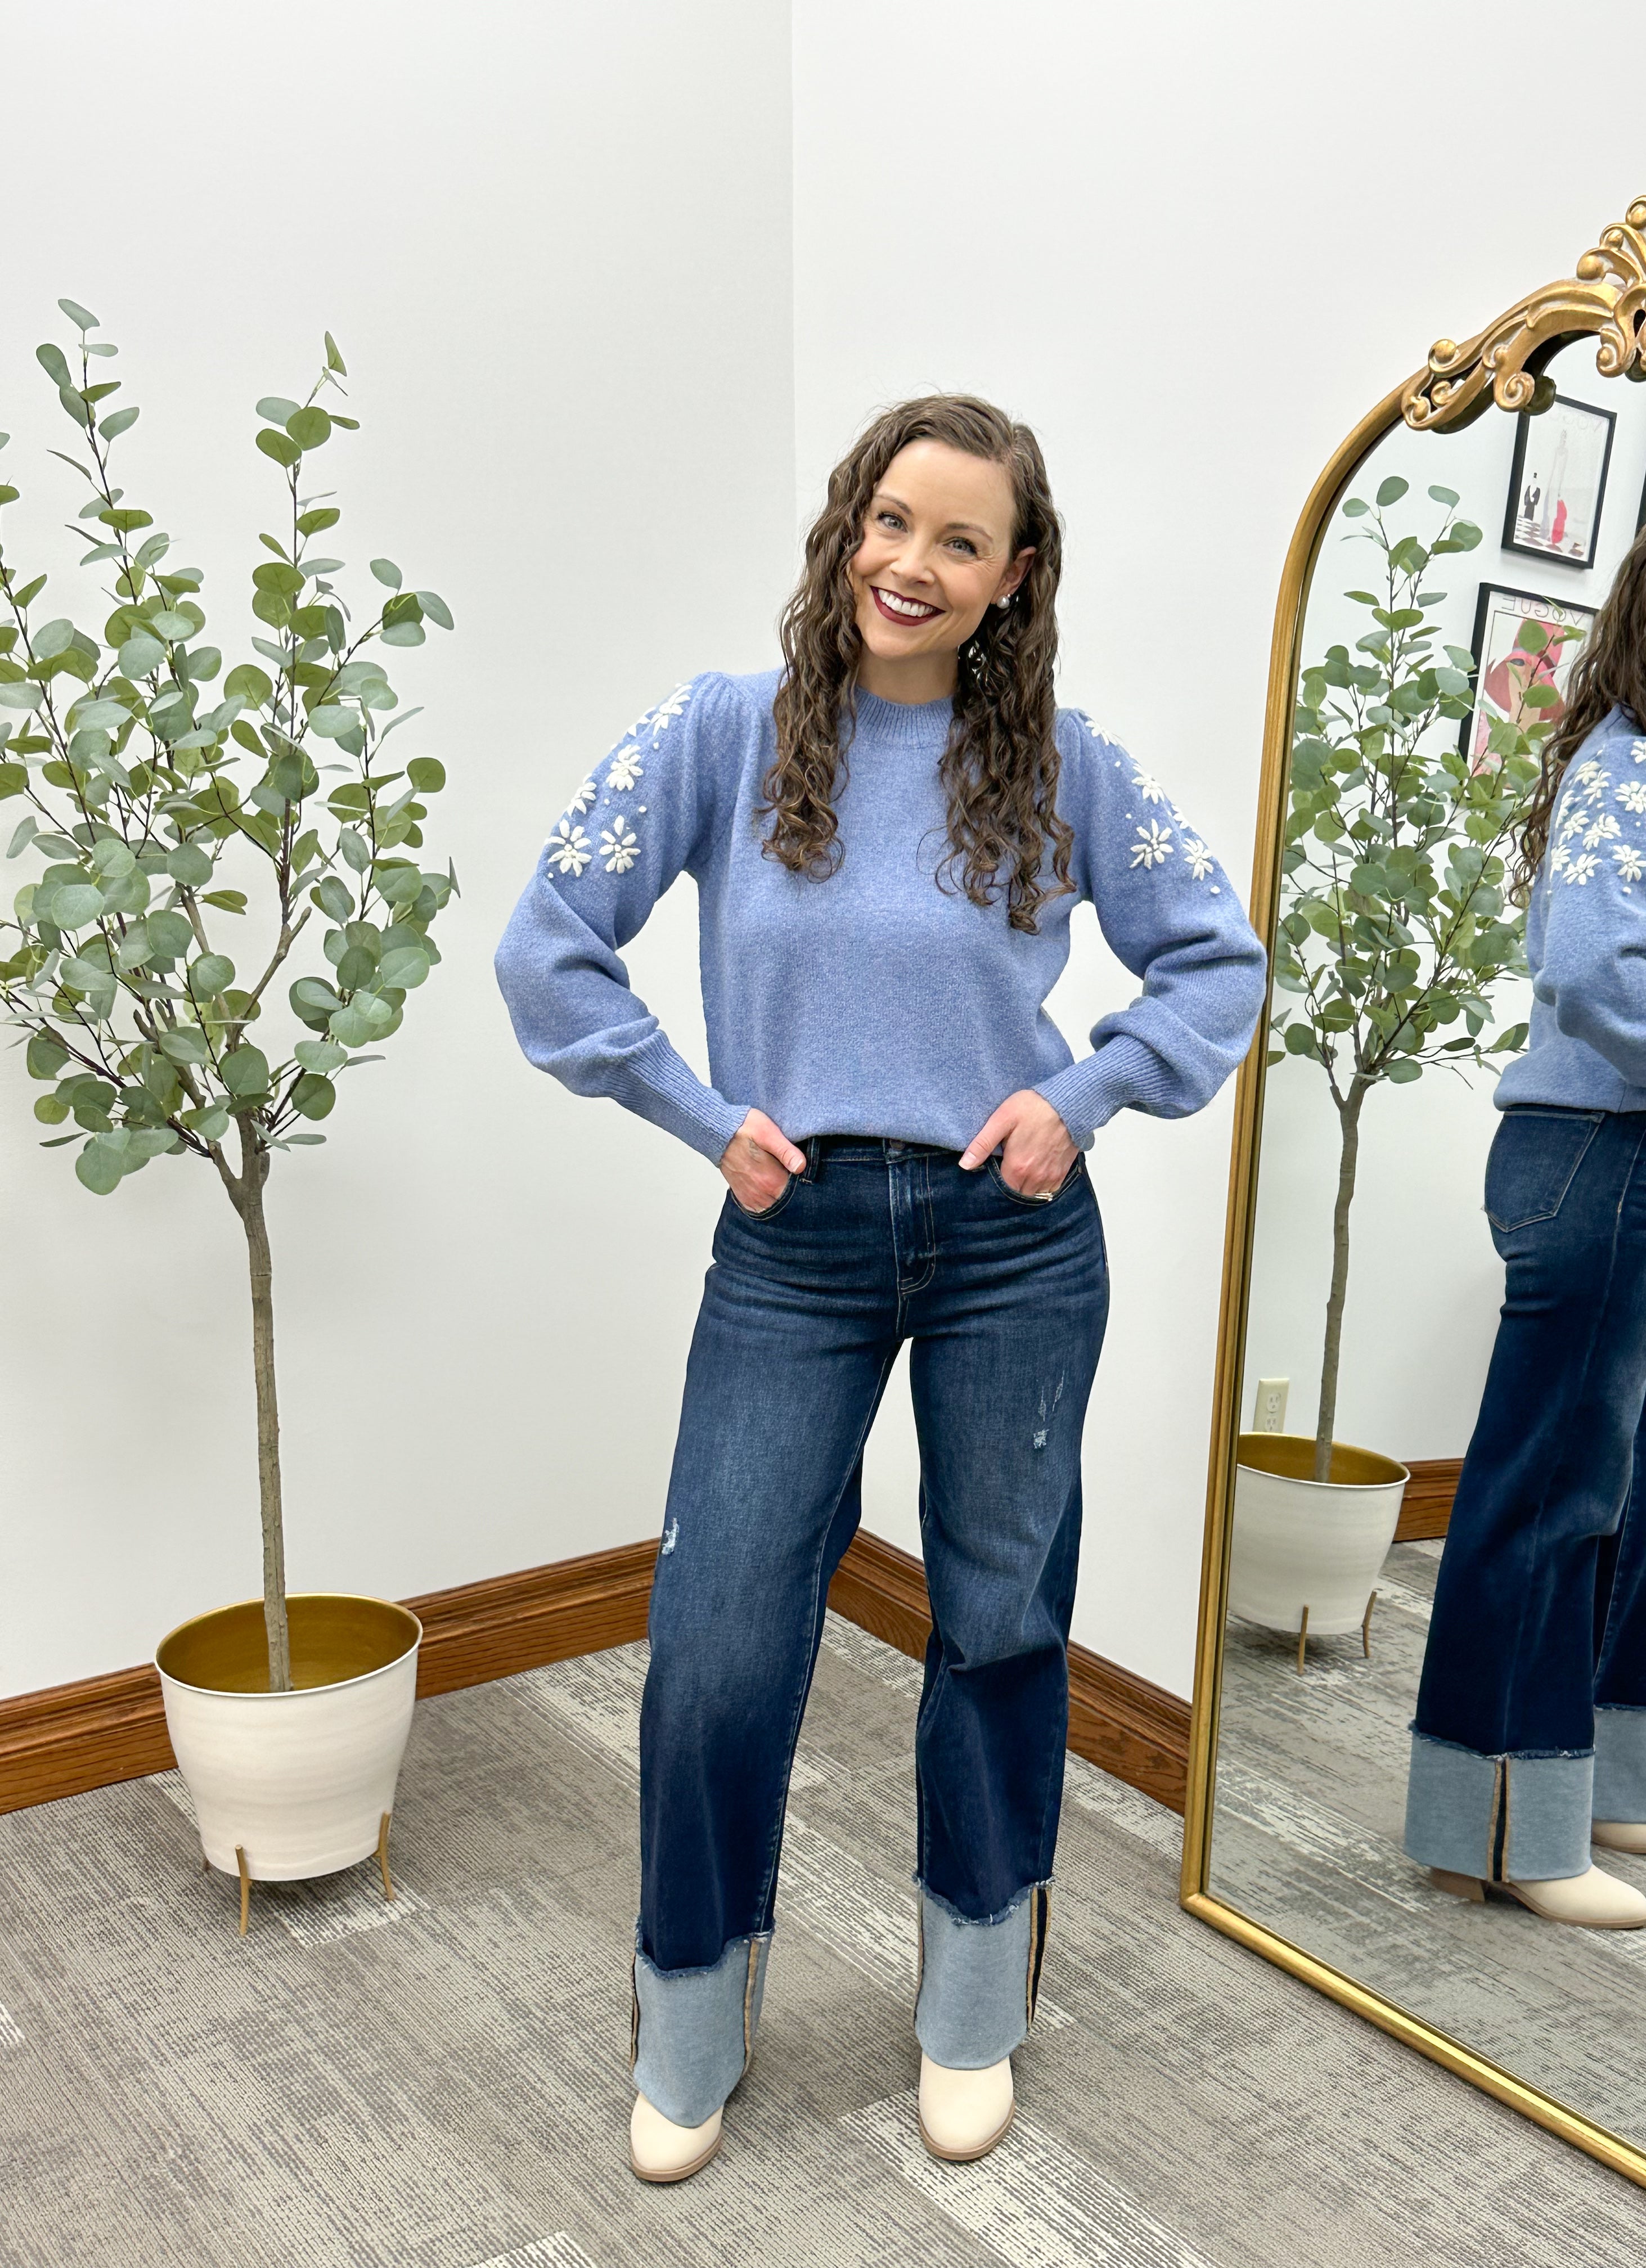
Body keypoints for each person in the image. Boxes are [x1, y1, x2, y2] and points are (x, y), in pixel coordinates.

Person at [496, 395, 1266, 2180]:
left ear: (1013, 581)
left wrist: (1082, 1097)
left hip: (1012, 1237)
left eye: (961, 543)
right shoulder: (723, 735)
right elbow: (547, 948)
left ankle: (974, 2007)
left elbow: (1215, 967)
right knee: (716, 1638)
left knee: (998, 1619)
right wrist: (701, 1116)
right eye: (890, 522)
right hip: (796, 1240)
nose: (912, 566)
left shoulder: (1070, 764)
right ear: (849, 527)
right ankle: (693, 2011)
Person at [1405, 510, 1646, 1929]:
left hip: (1627, 1158)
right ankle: (1507, 1826)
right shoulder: (1635, 765)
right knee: (1549, 1492)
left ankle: (1608, 1778)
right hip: (1599, 1153)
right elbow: (1592, 961)